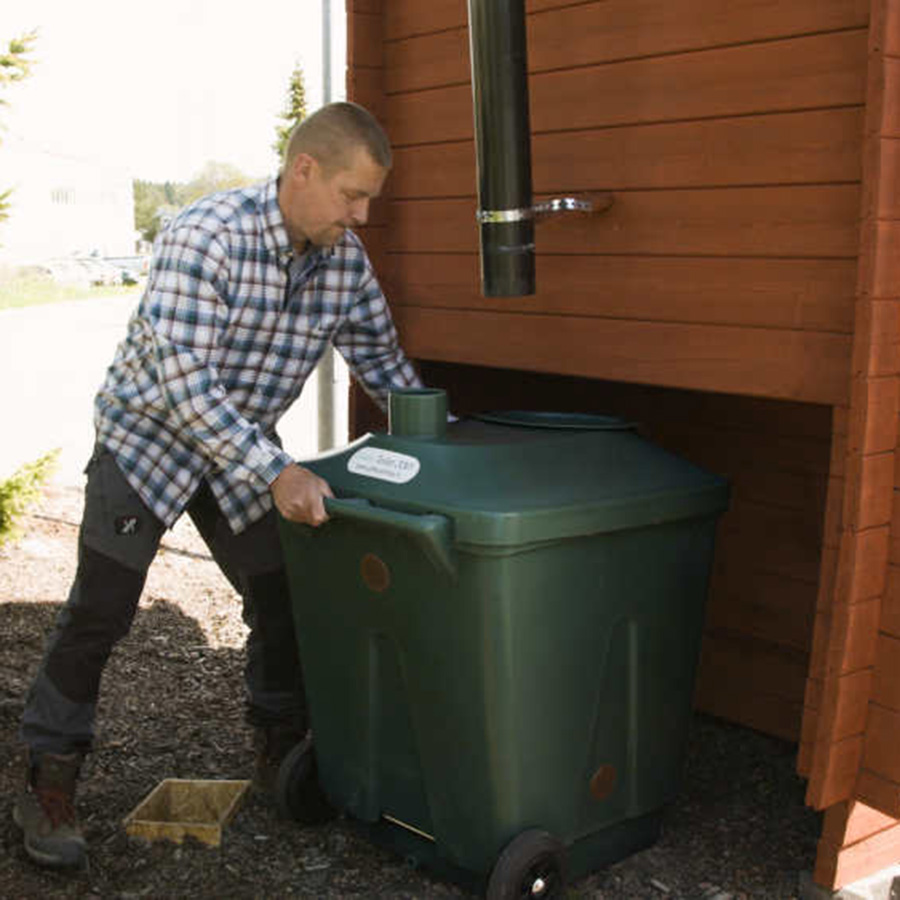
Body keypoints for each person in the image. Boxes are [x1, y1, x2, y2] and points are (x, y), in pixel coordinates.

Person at [13, 101, 422, 868]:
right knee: (100, 609)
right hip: (151, 437)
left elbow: (386, 367)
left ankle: (279, 746)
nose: (362, 216)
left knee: (281, 591)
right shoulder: (207, 236)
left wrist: (442, 445)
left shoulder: (344, 264)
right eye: (352, 196)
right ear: (304, 170)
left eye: (370, 200)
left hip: (238, 453)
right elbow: (182, 382)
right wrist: (278, 469)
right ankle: (47, 776)